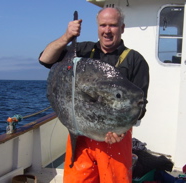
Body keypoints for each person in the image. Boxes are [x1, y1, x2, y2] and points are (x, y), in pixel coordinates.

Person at [39, 7, 149, 183]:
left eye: (113, 25)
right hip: (79, 136)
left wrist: (121, 130)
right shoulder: (83, 51)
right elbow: (45, 59)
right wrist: (66, 36)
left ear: (122, 28)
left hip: (116, 139)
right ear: (97, 27)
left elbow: (139, 106)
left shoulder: (135, 60)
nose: (107, 30)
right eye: (103, 25)